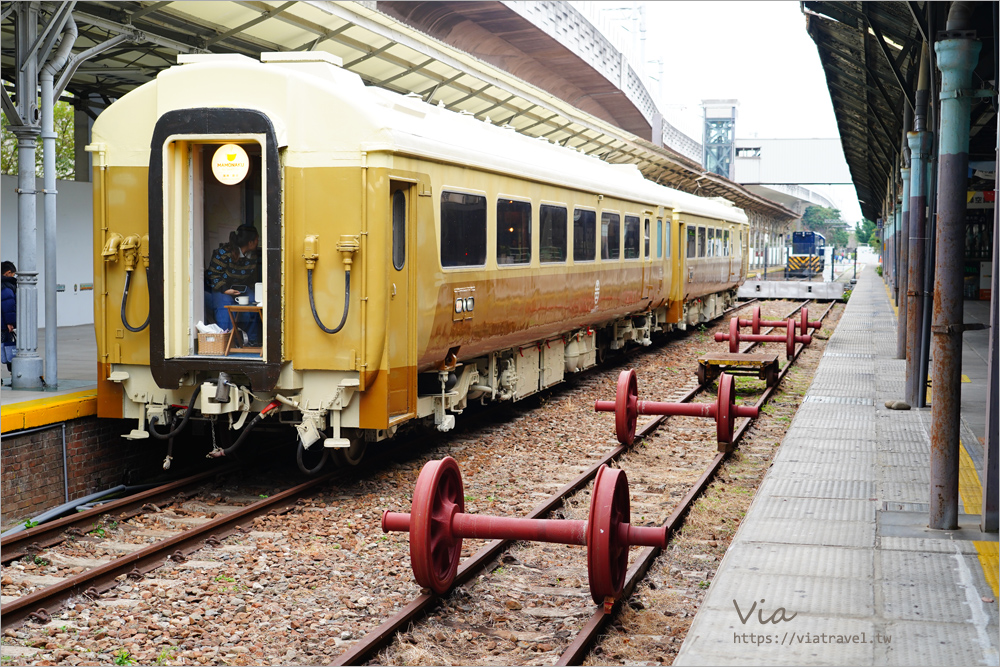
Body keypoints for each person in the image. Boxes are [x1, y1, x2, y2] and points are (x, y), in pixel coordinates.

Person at [205, 225, 262, 346]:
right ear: (250, 242)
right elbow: (212, 275)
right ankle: (228, 342)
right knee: (225, 305)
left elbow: (252, 278)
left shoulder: (253, 255)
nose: (258, 242)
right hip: (220, 288)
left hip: (241, 289)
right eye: (257, 239)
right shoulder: (224, 253)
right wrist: (225, 290)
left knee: (254, 302)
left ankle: (251, 340)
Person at [2, 261, 16, 374]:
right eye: (13, 274)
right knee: (7, 348)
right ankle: (13, 373)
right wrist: (10, 323)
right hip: (3, 326)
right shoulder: (6, 287)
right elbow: (8, 307)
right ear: (8, 273)